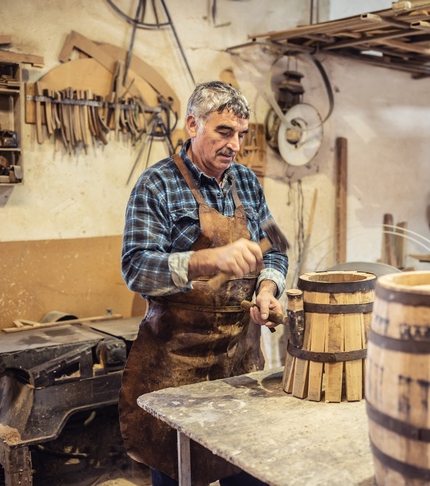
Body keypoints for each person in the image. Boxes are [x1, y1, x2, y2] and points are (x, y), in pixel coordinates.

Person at [118, 81, 288, 486]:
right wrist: (206, 259)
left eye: (241, 134)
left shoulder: (246, 181)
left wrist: (267, 290)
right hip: (175, 364)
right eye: (224, 132)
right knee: (178, 471)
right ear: (193, 124)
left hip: (239, 361)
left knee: (247, 470)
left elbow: (276, 249)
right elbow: (136, 268)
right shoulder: (156, 184)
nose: (235, 145)